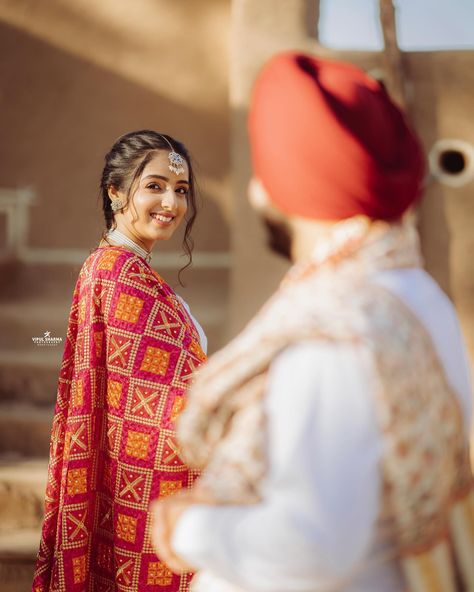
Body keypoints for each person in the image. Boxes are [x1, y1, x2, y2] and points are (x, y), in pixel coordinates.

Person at [151, 54, 474, 592]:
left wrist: (189, 528)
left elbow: (311, 546)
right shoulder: (416, 294)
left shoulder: (334, 332)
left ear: (280, 183)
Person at [32, 130, 207, 592]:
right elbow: (165, 397)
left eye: (181, 189)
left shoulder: (118, 267)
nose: (171, 201)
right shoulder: (120, 274)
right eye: (154, 185)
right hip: (145, 489)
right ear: (115, 191)